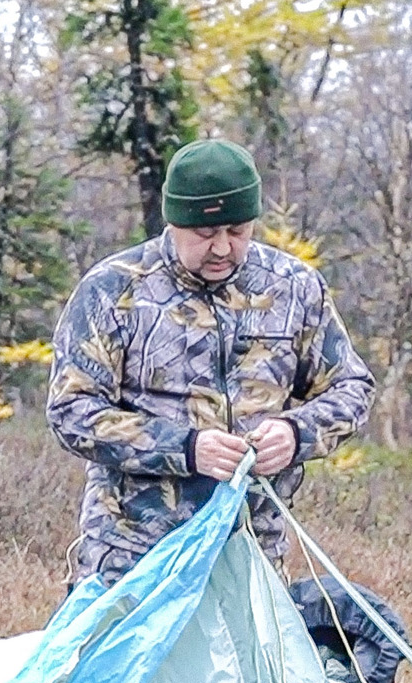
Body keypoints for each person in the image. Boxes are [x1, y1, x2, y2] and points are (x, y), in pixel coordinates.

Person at [46, 139, 375, 586]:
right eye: (205, 234)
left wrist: (296, 433)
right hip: (133, 556)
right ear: (174, 222)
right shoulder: (112, 290)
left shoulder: (295, 288)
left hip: (251, 550)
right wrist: (185, 448)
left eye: (238, 231)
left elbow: (351, 387)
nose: (222, 247)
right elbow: (71, 411)